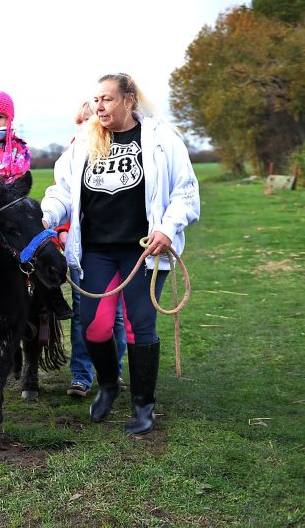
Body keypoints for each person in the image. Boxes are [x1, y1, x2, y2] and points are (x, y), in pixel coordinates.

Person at [41, 73, 200, 435]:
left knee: (137, 324)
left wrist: (167, 227)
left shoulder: (161, 139)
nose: (99, 106)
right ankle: (109, 384)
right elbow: (62, 191)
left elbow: (186, 191)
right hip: (96, 250)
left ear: (129, 101)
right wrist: (46, 216)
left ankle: (144, 406)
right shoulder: (84, 141)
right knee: (95, 327)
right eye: (96, 100)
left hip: (142, 251)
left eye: (107, 99)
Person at [0, 90, 72, 320]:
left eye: (0, 117)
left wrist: (1, 192)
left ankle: (52, 295)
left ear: (9, 120)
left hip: (6, 207)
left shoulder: (17, 146)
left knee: (35, 244)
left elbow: (20, 172)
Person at [60, 101, 127, 398]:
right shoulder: (72, 157)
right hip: (85, 252)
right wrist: (62, 232)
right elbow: (64, 201)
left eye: (92, 119)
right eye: (82, 120)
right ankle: (82, 375)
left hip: (120, 251)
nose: (88, 125)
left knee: (117, 317)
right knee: (83, 315)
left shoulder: (121, 154)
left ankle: (114, 372)